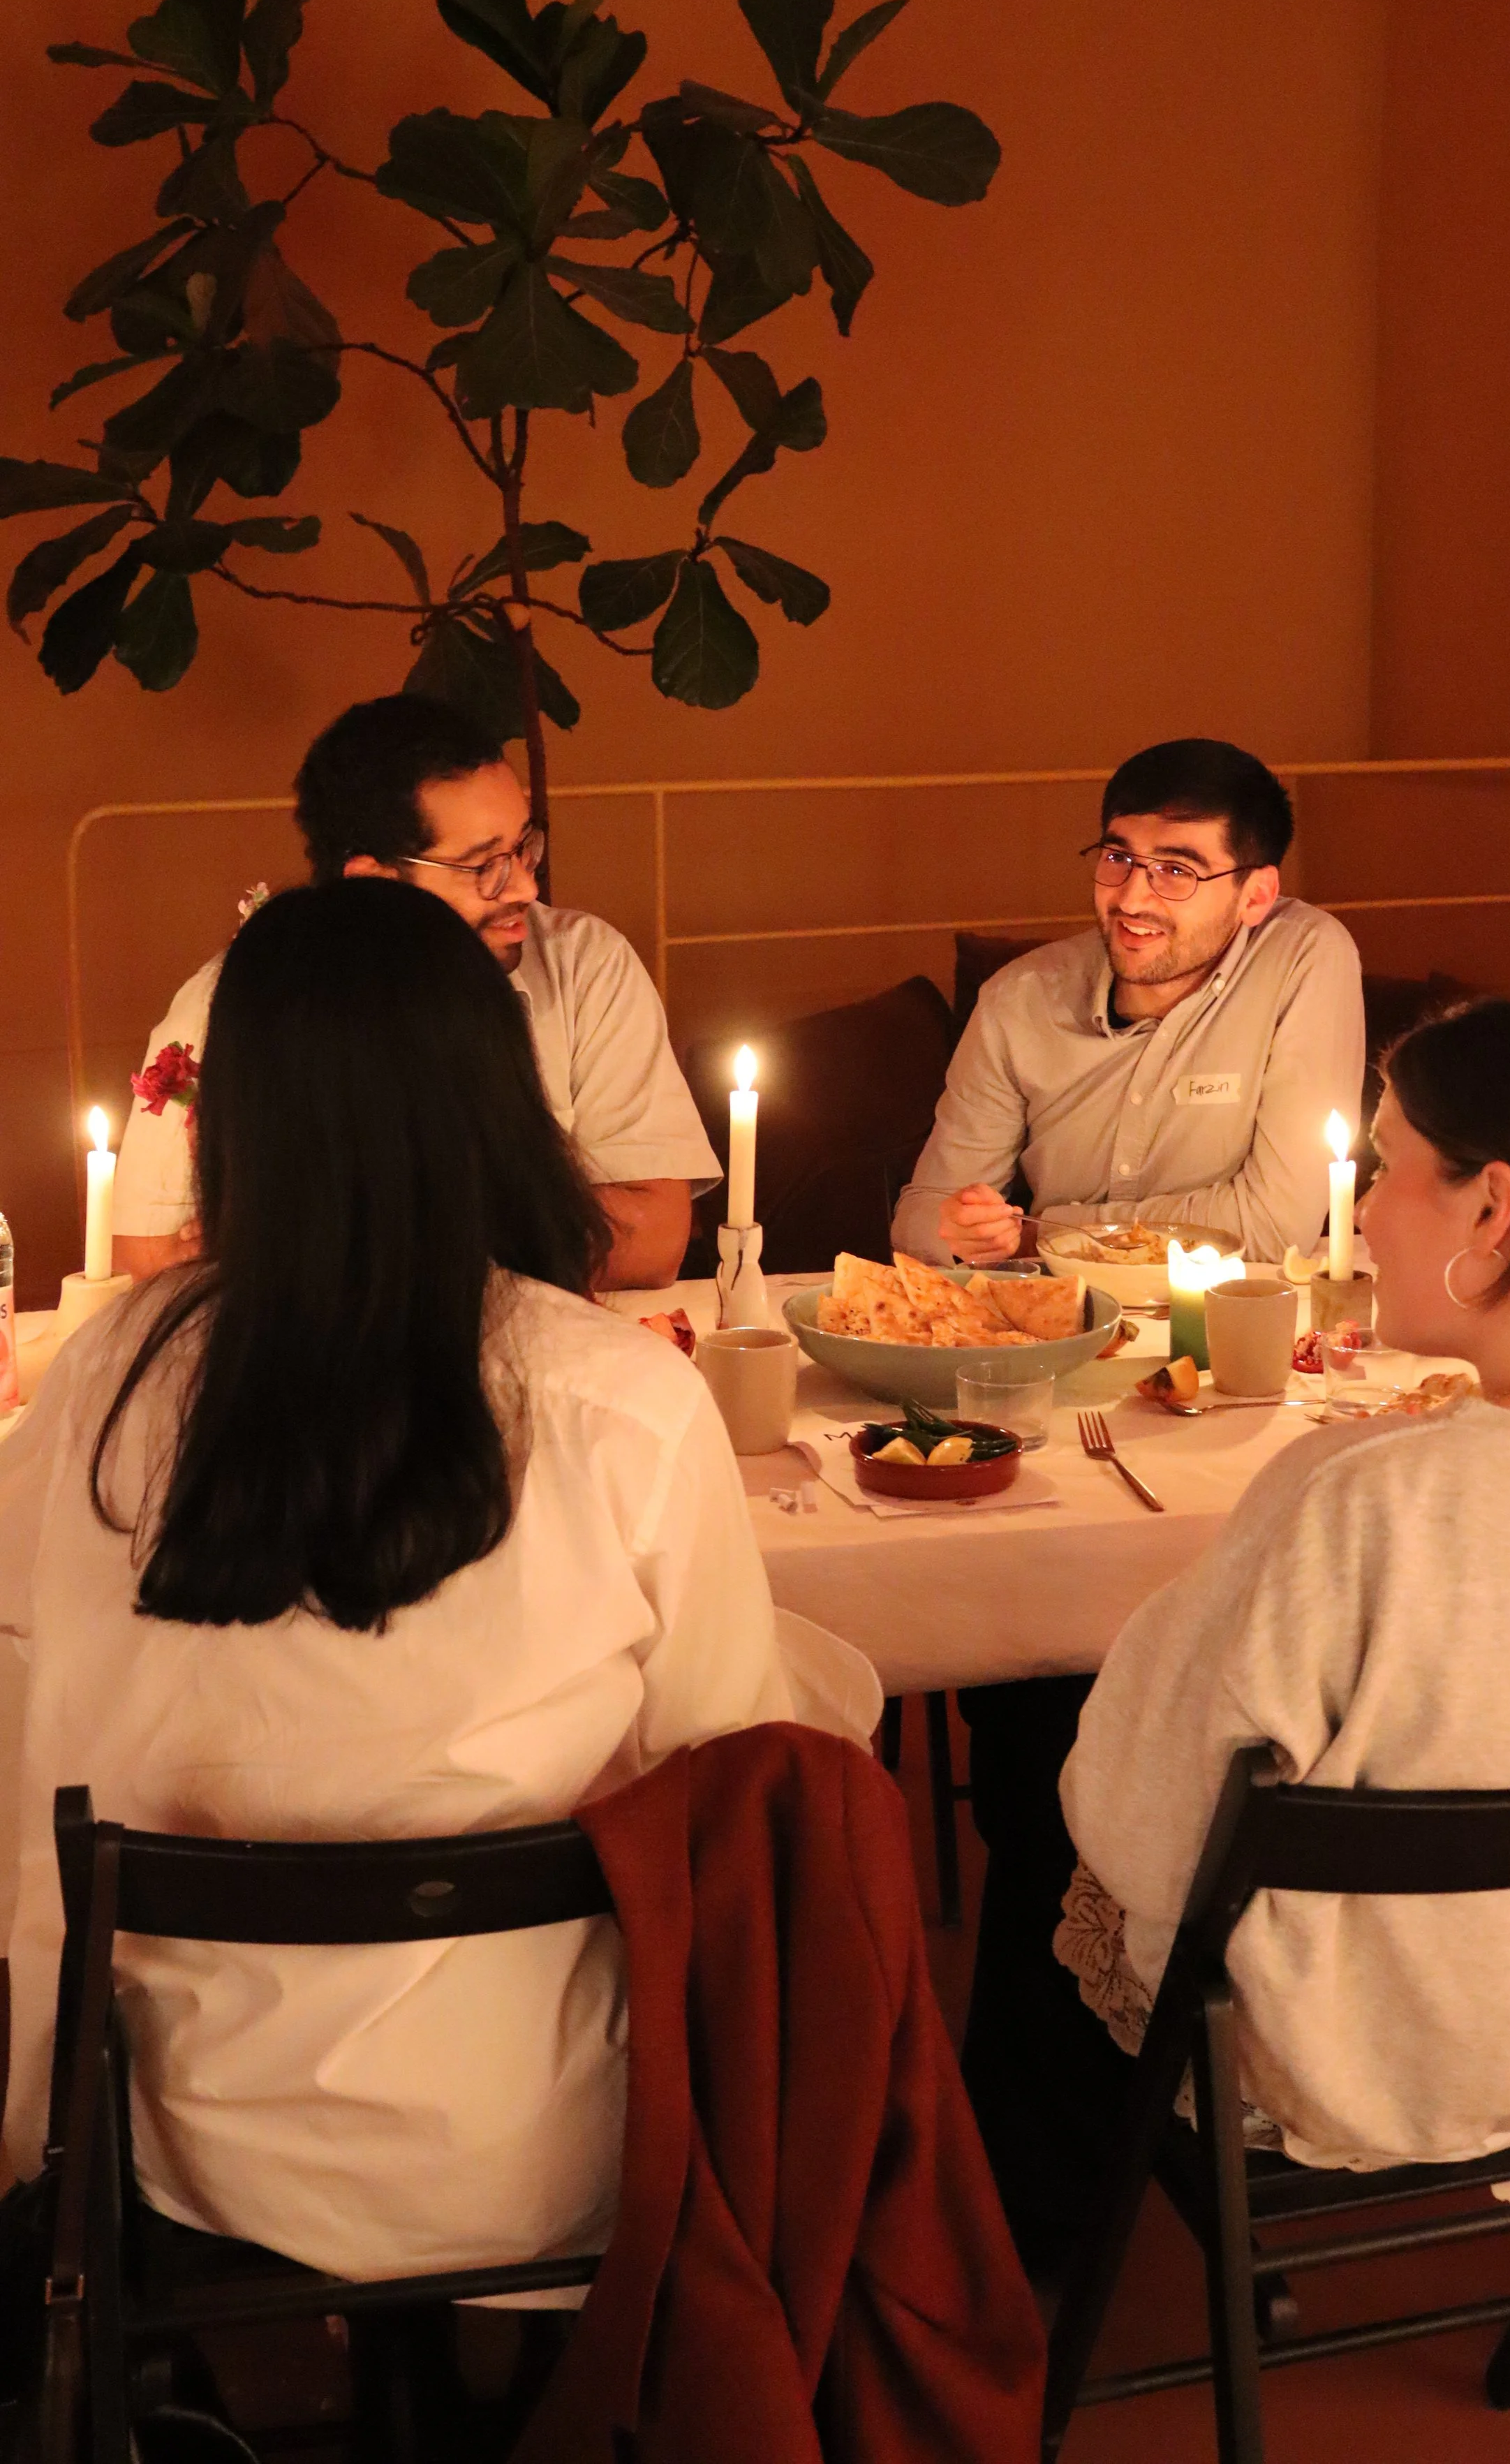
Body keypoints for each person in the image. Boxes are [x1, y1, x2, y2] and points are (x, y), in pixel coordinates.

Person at [0, 878, 876, 2294]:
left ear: (233, 1123)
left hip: (181, 2131)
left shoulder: (111, 1369)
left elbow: (25, 1642)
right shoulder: (613, 1396)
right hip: (538, 2134)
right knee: (818, 1716)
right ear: (499, 1095)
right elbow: (725, 1766)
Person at [965, 996, 1510, 2273]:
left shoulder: (1364, 1498)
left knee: (1050, 1790)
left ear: (1494, 1210)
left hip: (1342, 2054)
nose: (1364, 1210)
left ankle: (1004, 2271)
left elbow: (1141, 1827)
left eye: (1385, 1167)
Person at [112, 694, 716, 1292]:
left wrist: (336, 1241)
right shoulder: (239, 1005)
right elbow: (152, 1255)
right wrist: (533, 1222)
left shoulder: (583, 965)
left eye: (525, 847)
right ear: (376, 883)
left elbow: (655, 1235)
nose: (527, 888)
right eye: (486, 865)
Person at [889, 738, 1364, 1269]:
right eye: (1119, 858)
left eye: (1177, 871)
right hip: (1054, 1330)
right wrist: (959, 1230)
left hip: (1225, 1323)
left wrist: (1040, 1237)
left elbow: (1275, 1227)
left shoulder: (1302, 956)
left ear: (1254, 896)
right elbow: (921, 1218)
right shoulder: (1019, 1000)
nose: (1132, 898)